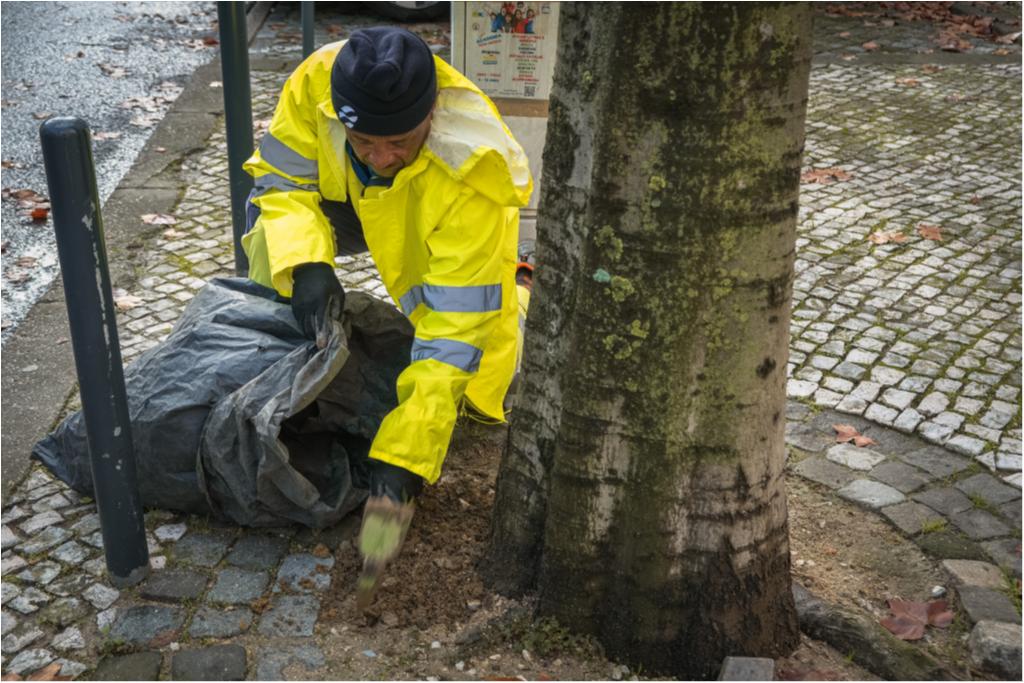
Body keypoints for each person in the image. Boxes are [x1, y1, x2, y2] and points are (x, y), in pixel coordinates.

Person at [241, 27, 533, 606]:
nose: (380, 155)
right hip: (348, 197)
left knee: (482, 360)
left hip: (432, 207)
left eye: (399, 140)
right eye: (363, 140)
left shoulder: (475, 173)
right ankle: (289, 340)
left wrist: (404, 456)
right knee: (268, 227)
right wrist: (305, 261)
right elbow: (280, 179)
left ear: (430, 115)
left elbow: (454, 330)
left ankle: (524, 286)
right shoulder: (319, 81)